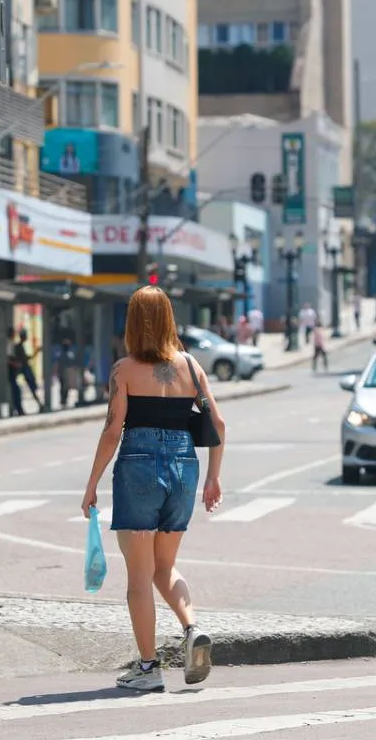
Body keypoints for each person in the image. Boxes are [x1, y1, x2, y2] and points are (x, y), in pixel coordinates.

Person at [80, 286, 225, 692]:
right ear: (168, 319)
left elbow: (113, 431)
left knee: (140, 577)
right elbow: (219, 425)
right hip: (184, 467)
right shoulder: (192, 366)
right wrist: (213, 477)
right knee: (165, 566)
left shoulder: (123, 369)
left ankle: (148, 668)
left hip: (138, 468)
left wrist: (91, 484)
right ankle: (192, 626)